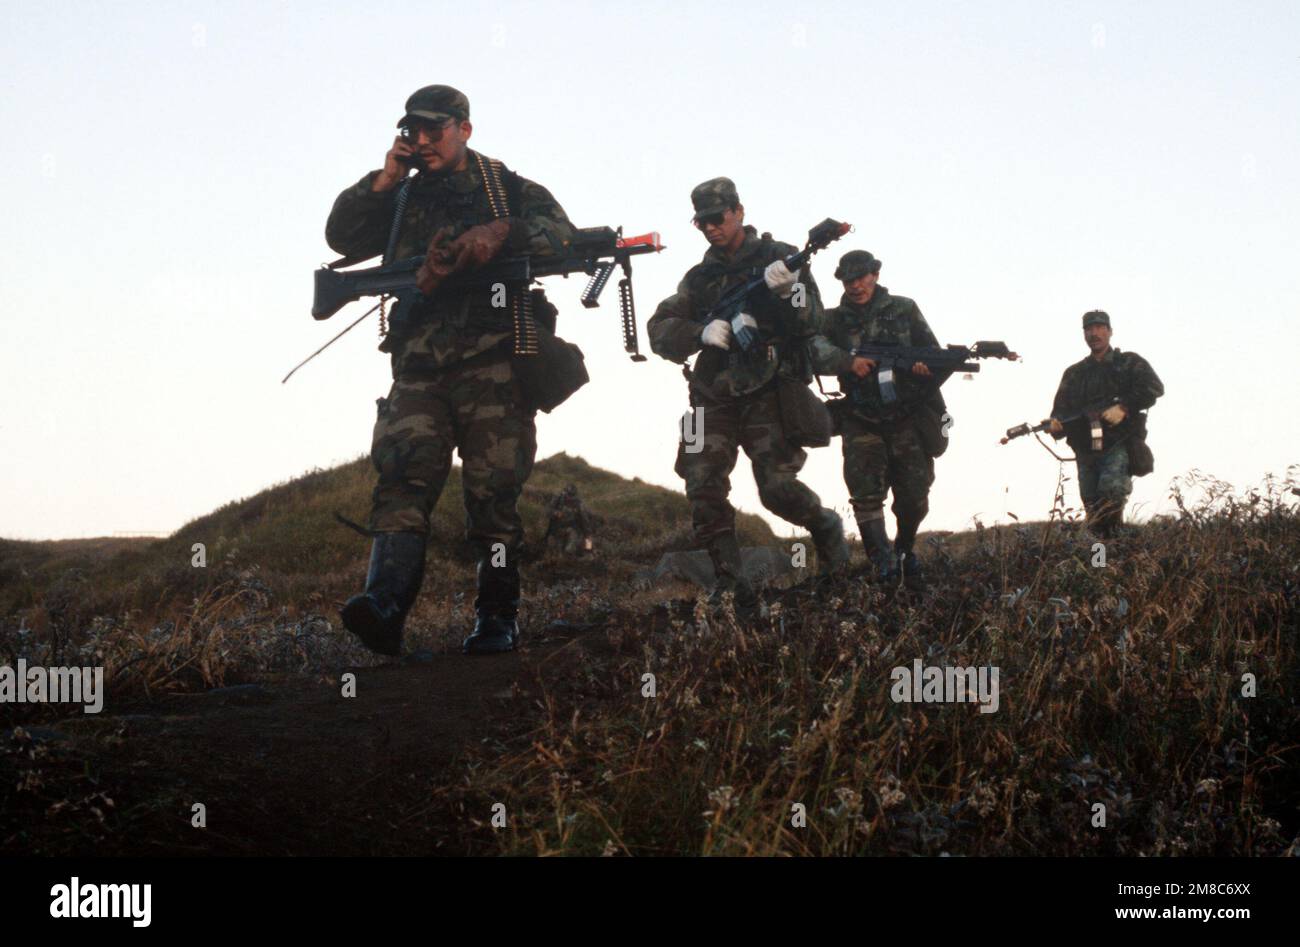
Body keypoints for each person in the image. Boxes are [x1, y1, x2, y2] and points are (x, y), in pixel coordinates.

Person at [324, 84, 576, 656]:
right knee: (402, 478)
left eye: (434, 129)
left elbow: (561, 231)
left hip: (493, 363)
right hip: (418, 366)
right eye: (412, 130)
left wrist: (500, 231)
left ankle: (496, 617)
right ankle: (384, 605)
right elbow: (341, 236)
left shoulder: (504, 186)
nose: (422, 140)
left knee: (494, 496)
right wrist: (386, 178)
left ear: (464, 127)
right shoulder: (402, 196)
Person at [647, 177, 850, 609]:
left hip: (769, 389)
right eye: (701, 222)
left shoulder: (780, 258)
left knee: (776, 488)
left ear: (739, 212)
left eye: (717, 218)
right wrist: (699, 331)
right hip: (710, 396)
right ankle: (729, 583)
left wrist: (788, 290)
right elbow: (659, 330)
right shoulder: (699, 279)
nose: (710, 228)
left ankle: (826, 527)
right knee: (701, 482)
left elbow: (813, 319)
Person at [809, 250, 944, 589]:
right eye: (847, 280)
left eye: (861, 278)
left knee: (914, 493)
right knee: (865, 493)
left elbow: (934, 355)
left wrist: (920, 373)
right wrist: (845, 362)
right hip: (859, 418)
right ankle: (882, 563)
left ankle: (904, 549)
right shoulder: (831, 320)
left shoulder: (904, 308)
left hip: (905, 416)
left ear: (876, 274)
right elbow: (811, 351)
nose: (855, 286)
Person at [1048, 310, 1164, 537]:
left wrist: (1124, 406)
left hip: (1118, 443)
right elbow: (1059, 412)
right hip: (1086, 450)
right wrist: (1055, 425)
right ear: (1084, 334)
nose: (1094, 333)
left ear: (1110, 332)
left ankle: (1113, 559)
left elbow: (1154, 388)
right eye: (1089, 329)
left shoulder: (1129, 362)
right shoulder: (1074, 374)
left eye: (1100, 328)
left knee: (1110, 500)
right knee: (1093, 508)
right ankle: (1100, 564)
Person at [545, 484, 595, 556]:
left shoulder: (578, 505)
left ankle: (569, 557)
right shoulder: (558, 499)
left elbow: (585, 523)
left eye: (572, 496)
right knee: (553, 550)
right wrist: (556, 513)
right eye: (568, 495)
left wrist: (588, 543)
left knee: (569, 550)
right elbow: (547, 511)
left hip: (571, 530)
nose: (569, 498)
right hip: (556, 529)